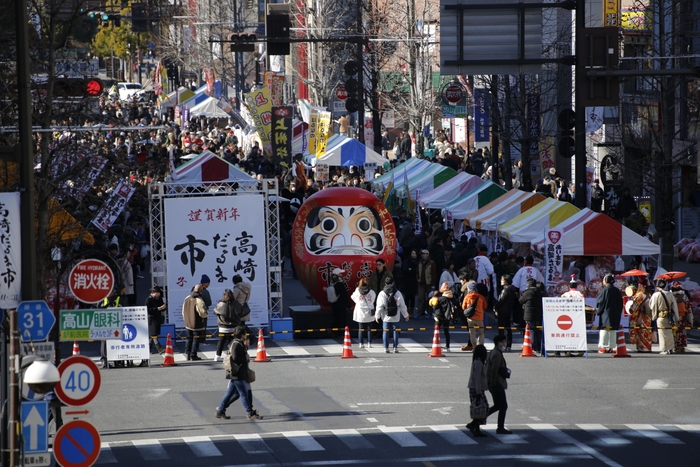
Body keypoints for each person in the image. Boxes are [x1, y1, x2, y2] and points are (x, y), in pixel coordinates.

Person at [215, 326, 263, 421]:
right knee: (243, 393)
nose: (246, 335)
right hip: (237, 373)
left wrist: (246, 347)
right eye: (245, 333)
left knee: (232, 394)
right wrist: (245, 358)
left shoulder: (239, 343)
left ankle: (220, 409)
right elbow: (235, 358)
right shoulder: (236, 344)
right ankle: (249, 413)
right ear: (242, 335)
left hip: (238, 373)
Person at [486, 334, 512, 435]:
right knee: (503, 406)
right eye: (504, 342)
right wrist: (492, 383)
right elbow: (494, 369)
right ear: (499, 343)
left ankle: (478, 420)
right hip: (496, 383)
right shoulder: (496, 354)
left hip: (493, 383)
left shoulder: (493, 352)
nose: (505, 344)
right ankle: (500, 427)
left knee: (498, 405)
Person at [375, 277, 409, 353]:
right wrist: (406, 315)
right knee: (395, 331)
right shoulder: (398, 293)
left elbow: (379, 306)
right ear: (393, 283)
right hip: (396, 316)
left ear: (385, 284)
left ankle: (386, 348)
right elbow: (402, 305)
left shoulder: (382, 293)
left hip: (385, 316)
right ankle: (395, 348)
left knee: (385, 332)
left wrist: (377, 316)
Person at [649, 278, 679, 355]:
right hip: (669, 316)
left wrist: (653, 316)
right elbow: (674, 306)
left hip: (661, 316)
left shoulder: (656, 295)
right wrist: (676, 317)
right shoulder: (670, 294)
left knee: (662, 333)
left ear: (657, 286)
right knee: (669, 332)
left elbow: (652, 306)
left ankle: (665, 349)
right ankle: (671, 348)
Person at [595, 274, 623, 353]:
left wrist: (598, 310)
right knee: (612, 330)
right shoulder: (617, 290)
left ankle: (604, 347)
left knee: (604, 330)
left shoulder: (604, 290)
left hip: (606, 313)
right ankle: (611, 347)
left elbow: (600, 302)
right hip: (615, 313)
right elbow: (620, 303)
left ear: (606, 281)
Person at [466, 344, 489, 437]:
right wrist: (479, 392)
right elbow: (477, 378)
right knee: (484, 408)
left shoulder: (476, 361)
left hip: (474, 388)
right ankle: (473, 425)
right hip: (476, 389)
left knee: (478, 409)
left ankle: (476, 428)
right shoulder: (479, 363)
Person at [214, 289, 242, 362]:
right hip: (234, 326)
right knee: (233, 342)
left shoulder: (220, 304)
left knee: (221, 342)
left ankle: (217, 355)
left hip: (223, 327)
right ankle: (232, 355)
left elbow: (215, 312)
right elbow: (241, 312)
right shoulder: (237, 304)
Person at [182, 283, 208, 361]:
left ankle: (187, 354)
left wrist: (186, 319)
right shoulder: (199, 300)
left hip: (188, 323)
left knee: (188, 339)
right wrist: (207, 313)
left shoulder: (187, 298)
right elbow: (202, 313)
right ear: (201, 291)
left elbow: (183, 311)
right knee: (196, 339)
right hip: (197, 323)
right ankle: (193, 355)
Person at [351, 278, 377, 348]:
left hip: (360, 312)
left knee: (361, 329)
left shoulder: (357, 291)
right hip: (369, 311)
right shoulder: (372, 292)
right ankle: (369, 343)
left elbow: (352, 297)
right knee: (369, 329)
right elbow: (373, 299)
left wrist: (358, 302)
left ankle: (361, 343)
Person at [495, 275, 518, 352]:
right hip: (508, 311)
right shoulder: (513, 290)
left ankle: (501, 344)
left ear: (506, 281)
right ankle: (508, 345)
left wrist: (495, 307)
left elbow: (501, 301)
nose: (501, 281)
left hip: (502, 311)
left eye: (502, 279)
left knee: (501, 329)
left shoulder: (505, 290)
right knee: (508, 328)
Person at [519, 278, 543, 354]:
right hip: (538, 313)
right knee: (538, 330)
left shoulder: (528, 292)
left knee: (531, 330)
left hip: (529, 314)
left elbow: (520, 300)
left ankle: (533, 346)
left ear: (528, 284)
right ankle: (539, 346)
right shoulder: (539, 292)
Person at [626, 284, 652, 352]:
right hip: (648, 316)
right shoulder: (649, 295)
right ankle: (647, 347)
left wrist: (630, 310)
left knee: (641, 331)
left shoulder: (639, 295)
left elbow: (634, 308)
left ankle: (642, 347)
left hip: (641, 316)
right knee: (647, 332)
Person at [432, 282, 457, 352]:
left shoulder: (441, 299)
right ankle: (448, 346)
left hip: (440, 317)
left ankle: (436, 345)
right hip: (447, 317)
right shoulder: (452, 297)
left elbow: (435, 307)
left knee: (436, 331)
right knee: (446, 332)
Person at [462, 281, 487, 349]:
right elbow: (485, 307)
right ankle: (480, 346)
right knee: (481, 333)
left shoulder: (467, 297)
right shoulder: (481, 297)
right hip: (479, 318)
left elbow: (463, 307)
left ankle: (474, 347)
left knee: (472, 333)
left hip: (470, 318)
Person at [326, 268, 351, 333]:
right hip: (341, 305)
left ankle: (333, 331)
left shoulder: (332, 283)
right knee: (341, 320)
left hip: (334, 304)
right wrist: (348, 305)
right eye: (340, 273)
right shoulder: (340, 284)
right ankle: (340, 333)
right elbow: (344, 295)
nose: (341, 275)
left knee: (336, 318)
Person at [671, 281, 693, 353]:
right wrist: (690, 322)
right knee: (682, 332)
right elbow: (689, 310)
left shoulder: (671, 296)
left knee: (673, 332)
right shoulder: (685, 297)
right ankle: (681, 346)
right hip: (682, 317)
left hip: (673, 317)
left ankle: (673, 346)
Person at [415, 249, 436, 319]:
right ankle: (419, 312)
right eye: (422, 254)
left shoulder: (431, 263)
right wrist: (417, 278)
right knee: (420, 298)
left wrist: (433, 285)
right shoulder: (420, 262)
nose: (423, 255)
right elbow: (417, 272)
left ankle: (429, 312)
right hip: (421, 283)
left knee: (430, 299)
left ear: (428, 254)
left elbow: (433, 274)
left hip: (429, 283)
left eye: (424, 254)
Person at [145, 286, 166, 355]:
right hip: (151, 318)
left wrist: (163, 307)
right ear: (154, 292)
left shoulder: (159, 298)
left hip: (157, 317)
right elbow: (148, 310)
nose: (158, 295)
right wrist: (157, 309)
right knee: (153, 334)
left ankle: (147, 349)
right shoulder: (149, 299)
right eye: (158, 293)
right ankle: (159, 348)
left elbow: (162, 305)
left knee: (153, 335)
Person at [199, 275, 212, 345]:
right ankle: (202, 340)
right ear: (206, 283)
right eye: (208, 283)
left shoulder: (195, 289)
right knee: (203, 326)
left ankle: (196, 340)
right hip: (203, 311)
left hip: (195, 311)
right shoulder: (205, 292)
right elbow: (209, 302)